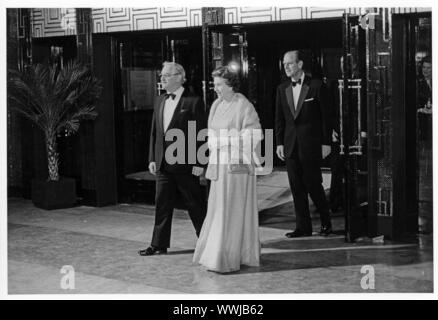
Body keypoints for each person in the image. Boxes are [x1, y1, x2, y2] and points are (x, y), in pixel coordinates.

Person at [193, 66, 262, 273]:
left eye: (219, 84)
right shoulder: (216, 104)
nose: (216, 89)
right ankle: (217, 252)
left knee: (232, 207)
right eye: (215, 84)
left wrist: (227, 140)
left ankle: (230, 255)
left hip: (237, 165)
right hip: (219, 163)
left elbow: (255, 133)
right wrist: (215, 143)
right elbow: (210, 133)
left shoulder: (243, 105)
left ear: (231, 85)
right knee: (219, 207)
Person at [138, 61, 207, 256]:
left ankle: (207, 242)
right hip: (162, 164)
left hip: (186, 164)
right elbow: (155, 132)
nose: (162, 78)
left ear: (179, 76)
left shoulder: (194, 101)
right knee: (162, 205)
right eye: (162, 75)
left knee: (196, 205)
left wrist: (200, 162)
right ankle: (158, 244)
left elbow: (201, 134)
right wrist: (152, 157)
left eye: (166, 75)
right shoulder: (159, 100)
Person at [275, 50, 333, 238]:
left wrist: (326, 143)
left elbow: (327, 117)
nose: (286, 67)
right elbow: (279, 119)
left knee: (314, 185)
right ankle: (303, 227)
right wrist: (279, 143)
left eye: (290, 63)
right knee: (296, 187)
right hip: (290, 145)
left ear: (300, 64)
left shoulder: (316, 86)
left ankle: (326, 223)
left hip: (311, 145)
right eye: (284, 64)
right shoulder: (281, 88)